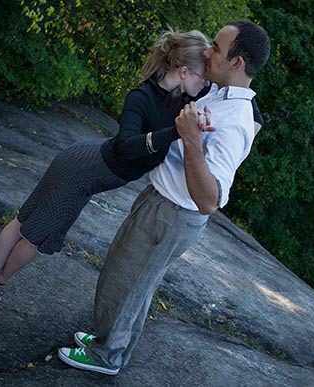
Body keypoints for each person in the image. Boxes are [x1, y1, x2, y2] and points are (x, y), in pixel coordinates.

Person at [0, 28, 262, 312]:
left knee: (26, 225)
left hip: (86, 169)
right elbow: (125, 147)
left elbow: (245, 103)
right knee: (36, 235)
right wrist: (177, 132)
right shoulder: (141, 97)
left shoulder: (184, 98)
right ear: (184, 72)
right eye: (203, 77)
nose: (208, 86)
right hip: (80, 171)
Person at [57, 20, 271, 375]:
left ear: (237, 63)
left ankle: (106, 356)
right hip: (162, 203)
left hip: (173, 212)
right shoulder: (220, 93)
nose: (207, 51)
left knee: (123, 282)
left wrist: (189, 139)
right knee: (136, 283)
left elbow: (210, 200)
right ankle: (111, 343)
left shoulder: (235, 121)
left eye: (216, 48)